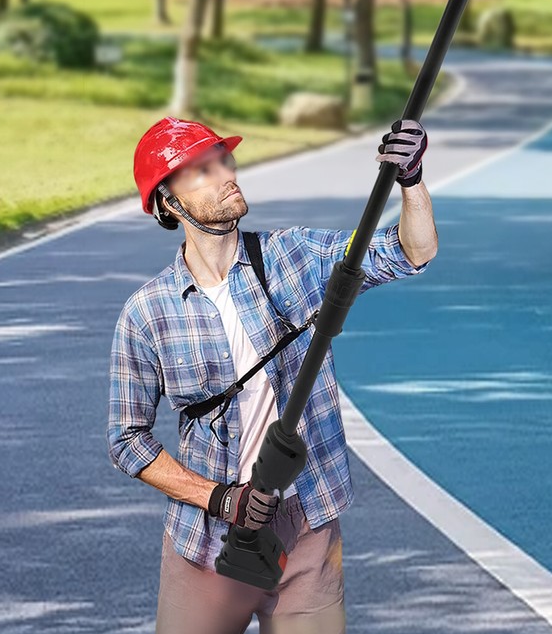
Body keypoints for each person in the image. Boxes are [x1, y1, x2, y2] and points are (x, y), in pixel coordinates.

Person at [107, 116, 437, 634]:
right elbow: (127, 440)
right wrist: (220, 498)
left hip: (305, 527)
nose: (225, 174)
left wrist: (411, 179)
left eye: (223, 160)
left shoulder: (294, 256)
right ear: (168, 203)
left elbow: (411, 252)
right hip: (206, 540)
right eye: (201, 170)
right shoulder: (148, 312)